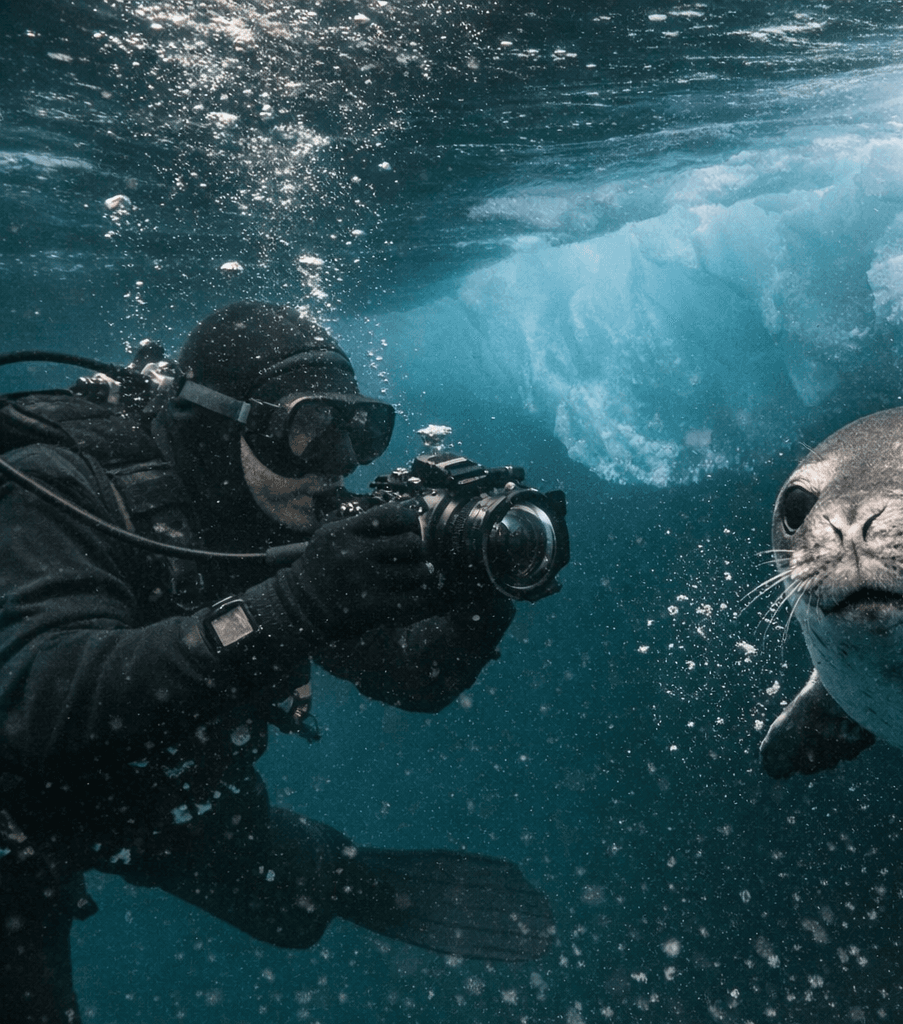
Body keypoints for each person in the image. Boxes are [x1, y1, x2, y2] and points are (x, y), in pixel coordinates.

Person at [0, 303, 553, 1024]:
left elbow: (409, 676)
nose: (340, 461)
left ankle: (328, 878)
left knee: (281, 883)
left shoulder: (268, 507)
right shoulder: (55, 486)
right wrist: (292, 605)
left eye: (362, 429)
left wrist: (478, 592)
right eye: (308, 427)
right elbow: (37, 701)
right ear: (219, 426)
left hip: (127, 798)